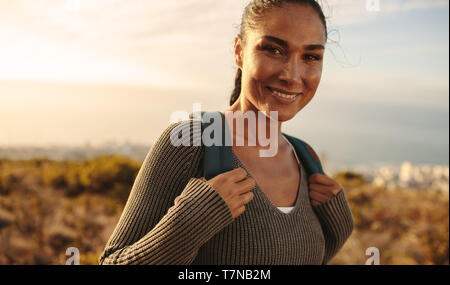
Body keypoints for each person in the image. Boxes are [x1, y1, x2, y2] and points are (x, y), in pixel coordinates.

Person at [99, 0, 354, 265]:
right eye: (274, 50)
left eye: (310, 56)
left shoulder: (306, 158)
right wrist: (193, 220)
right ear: (239, 51)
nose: (292, 75)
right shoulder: (190, 143)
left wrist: (338, 227)